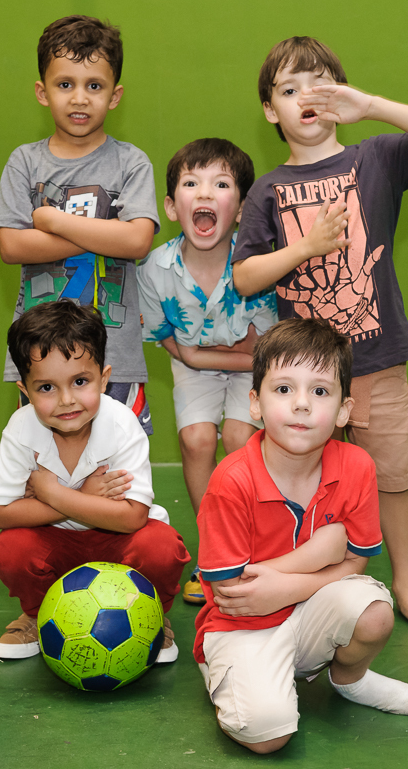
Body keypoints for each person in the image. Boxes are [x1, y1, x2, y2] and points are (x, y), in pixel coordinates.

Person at [232, 36, 408, 636]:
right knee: (303, 483)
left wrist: (374, 105)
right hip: (304, 377)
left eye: (319, 85)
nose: (305, 98)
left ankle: (405, 588)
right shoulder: (269, 189)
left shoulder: (377, 159)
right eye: (288, 90)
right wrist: (305, 248)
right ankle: (307, 585)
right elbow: (245, 273)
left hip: (376, 358)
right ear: (269, 111)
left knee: (390, 477)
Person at [194, 318, 408, 753]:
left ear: (343, 411)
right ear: (255, 404)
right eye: (284, 389)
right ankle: (227, 672)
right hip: (242, 625)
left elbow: (355, 563)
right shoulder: (231, 481)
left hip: (306, 612)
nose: (301, 404)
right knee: (270, 737)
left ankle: (348, 679)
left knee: (374, 611)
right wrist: (318, 553)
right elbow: (230, 592)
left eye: (319, 391)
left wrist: (284, 583)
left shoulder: (356, 466)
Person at [0, 300, 190, 662]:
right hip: (57, 541)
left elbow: (131, 518)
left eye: (80, 382)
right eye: (46, 387)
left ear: (104, 378)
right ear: (24, 391)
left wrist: (51, 493)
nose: (66, 400)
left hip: (118, 540)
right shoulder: (20, 429)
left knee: (161, 547)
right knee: (11, 550)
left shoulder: (123, 423)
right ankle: (37, 616)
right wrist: (81, 495)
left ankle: (149, 615)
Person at [0, 15, 158, 433]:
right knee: (44, 462)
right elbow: (12, 247)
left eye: (93, 86)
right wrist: (103, 232)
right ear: (42, 93)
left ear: (115, 96)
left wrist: (52, 222)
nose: (80, 98)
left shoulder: (131, 162)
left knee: (120, 465)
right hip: (41, 355)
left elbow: (136, 240)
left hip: (113, 353)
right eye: (66, 85)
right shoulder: (25, 162)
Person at [138, 138, 278, 605]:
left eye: (221, 184)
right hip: (190, 365)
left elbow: (265, 354)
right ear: (171, 206)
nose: (204, 193)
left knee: (240, 439)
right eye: (191, 183)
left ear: (240, 209)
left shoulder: (255, 266)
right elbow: (168, 339)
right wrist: (195, 358)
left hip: (251, 369)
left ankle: (255, 547)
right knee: (196, 439)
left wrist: (202, 355)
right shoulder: (155, 268)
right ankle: (213, 552)